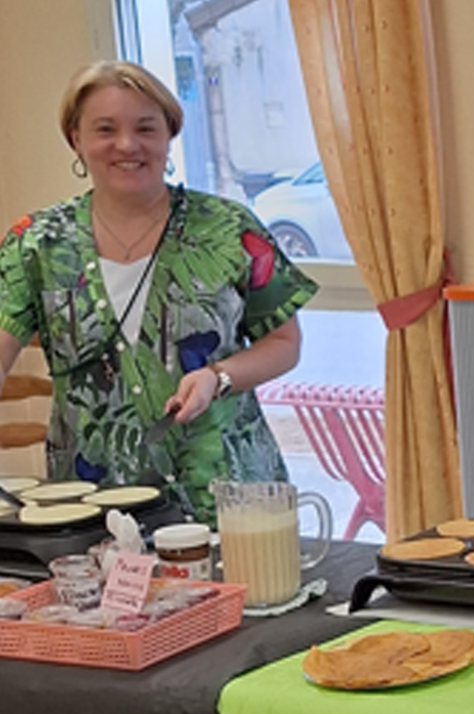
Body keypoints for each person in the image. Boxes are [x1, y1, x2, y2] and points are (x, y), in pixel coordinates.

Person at [0, 62, 315, 521]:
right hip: (90, 507)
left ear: (169, 134)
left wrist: (218, 376)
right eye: (105, 129)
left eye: (145, 128)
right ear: (75, 138)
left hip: (226, 497)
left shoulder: (229, 229)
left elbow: (285, 344)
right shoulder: (36, 243)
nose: (127, 145)